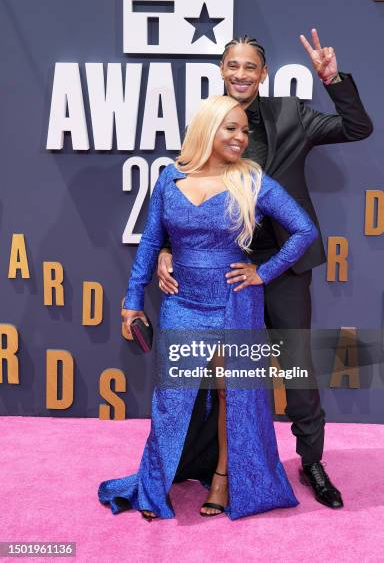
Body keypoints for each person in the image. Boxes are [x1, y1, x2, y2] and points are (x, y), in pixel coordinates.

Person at [157, 30, 374, 509]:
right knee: (225, 376)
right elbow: (188, 191)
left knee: (295, 366)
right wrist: (165, 250)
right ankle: (216, 465)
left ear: (263, 73)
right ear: (221, 70)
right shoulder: (209, 120)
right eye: (232, 65)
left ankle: (311, 461)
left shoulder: (292, 114)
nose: (240, 74)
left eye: (249, 66)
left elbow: (357, 128)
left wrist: (333, 79)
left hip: (285, 267)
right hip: (222, 273)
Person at [98, 95, 318, 521]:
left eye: (244, 130)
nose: (240, 137)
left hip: (234, 303)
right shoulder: (170, 177)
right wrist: (131, 300)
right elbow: (149, 242)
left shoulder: (252, 180)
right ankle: (155, 483)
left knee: (229, 393)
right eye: (230, 128)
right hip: (182, 300)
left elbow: (303, 229)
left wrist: (263, 272)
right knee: (171, 395)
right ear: (207, 128)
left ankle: (222, 479)